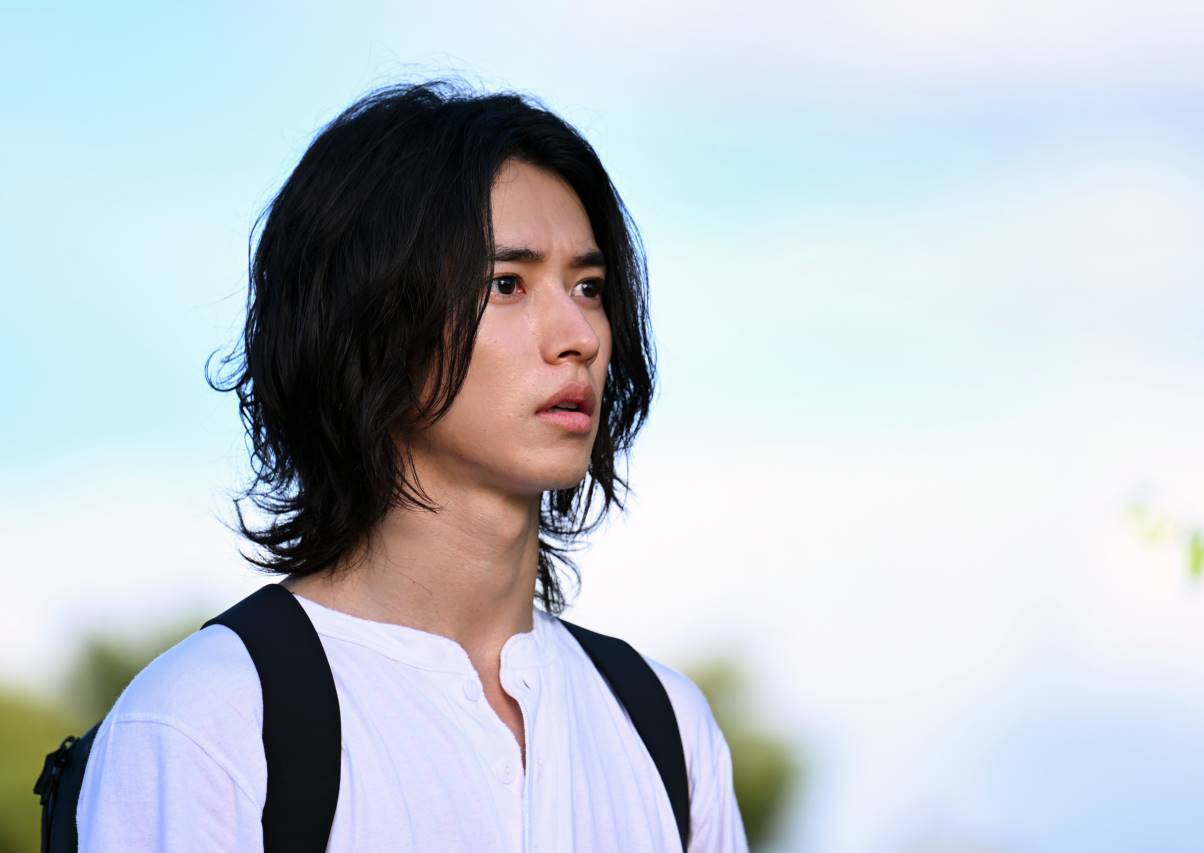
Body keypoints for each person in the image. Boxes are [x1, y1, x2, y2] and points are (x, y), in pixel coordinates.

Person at [74, 80, 750, 851]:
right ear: (374, 324)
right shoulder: (209, 720)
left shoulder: (668, 732)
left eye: (588, 286)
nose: (580, 336)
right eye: (507, 284)